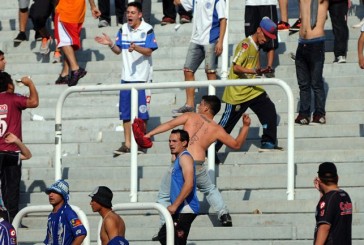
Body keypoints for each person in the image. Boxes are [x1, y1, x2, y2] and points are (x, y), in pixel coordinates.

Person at [145, 95, 251, 228]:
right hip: (198, 165)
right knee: (210, 189)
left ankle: (164, 227)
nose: (198, 106)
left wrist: (149, 134)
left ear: (206, 107)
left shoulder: (190, 115)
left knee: (164, 195)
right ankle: (224, 214)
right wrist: (245, 127)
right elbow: (236, 145)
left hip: (182, 163)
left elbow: (169, 125)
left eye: (201, 104)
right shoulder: (217, 129)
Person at [95, 1, 158, 155]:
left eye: (132, 13)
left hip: (143, 78)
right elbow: (118, 50)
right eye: (128, 12)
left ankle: (141, 143)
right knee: (126, 113)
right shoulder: (123, 29)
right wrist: (110, 44)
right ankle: (128, 144)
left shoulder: (147, 29)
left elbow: (149, 51)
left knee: (141, 114)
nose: (129, 15)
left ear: (140, 14)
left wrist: (136, 47)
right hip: (126, 78)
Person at [216, 17, 282, 152]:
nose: (267, 40)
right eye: (266, 36)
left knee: (269, 109)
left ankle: (268, 141)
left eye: (270, 38)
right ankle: (210, 149)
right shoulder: (245, 45)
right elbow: (236, 68)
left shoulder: (256, 46)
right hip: (237, 92)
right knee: (226, 125)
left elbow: (253, 67)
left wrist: (260, 71)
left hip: (252, 89)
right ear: (258, 30)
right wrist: (253, 70)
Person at [172, 0, 227, 114]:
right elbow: (181, 3)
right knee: (188, 69)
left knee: (210, 72)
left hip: (211, 39)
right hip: (196, 39)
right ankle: (190, 105)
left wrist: (220, 41)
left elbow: (223, 20)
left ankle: (211, 107)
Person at [0, 72, 39, 223]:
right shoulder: (13, 98)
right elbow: (34, 102)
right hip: (11, 151)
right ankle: (12, 226)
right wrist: (29, 84)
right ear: (9, 85)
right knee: (11, 192)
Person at [157, 129, 199, 245]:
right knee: (163, 236)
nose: (171, 144)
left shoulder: (185, 158)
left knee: (175, 241)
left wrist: (175, 205)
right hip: (179, 208)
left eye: (174, 141)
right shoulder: (178, 158)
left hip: (186, 208)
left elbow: (189, 184)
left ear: (184, 143)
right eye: (169, 141)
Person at [294, 0, 328, 125]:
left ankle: (319, 113)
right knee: (303, 83)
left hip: (317, 42)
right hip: (302, 43)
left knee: (316, 82)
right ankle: (304, 113)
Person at [54, 0, 101, 86]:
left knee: (64, 42)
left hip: (65, 10)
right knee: (68, 42)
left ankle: (76, 69)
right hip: (78, 11)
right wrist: (93, 6)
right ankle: (65, 73)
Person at [313, 162, 352, 244]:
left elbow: (324, 227)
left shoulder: (328, 199)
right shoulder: (345, 195)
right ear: (337, 178)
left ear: (319, 180)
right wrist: (322, 192)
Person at [44, 180, 87, 245]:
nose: (51, 195)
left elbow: (81, 234)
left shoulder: (68, 213)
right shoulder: (51, 215)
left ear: (63, 195)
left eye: (55, 192)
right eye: (50, 192)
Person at [244, 0, 278, 78]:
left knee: (270, 34)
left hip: (268, 3)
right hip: (251, 3)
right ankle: (257, 68)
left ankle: (269, 67)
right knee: (252, 36)